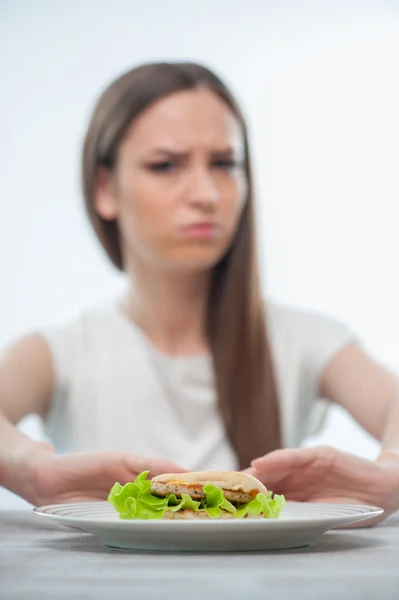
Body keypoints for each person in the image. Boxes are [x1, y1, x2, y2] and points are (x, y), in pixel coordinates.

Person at [1, 62, 399, 523]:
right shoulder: (60, 353)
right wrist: (28, 468)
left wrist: (391, 473)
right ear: (104, 188)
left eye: (224, 164)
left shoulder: (304, 340)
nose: (206, 193)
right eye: (166, 165)